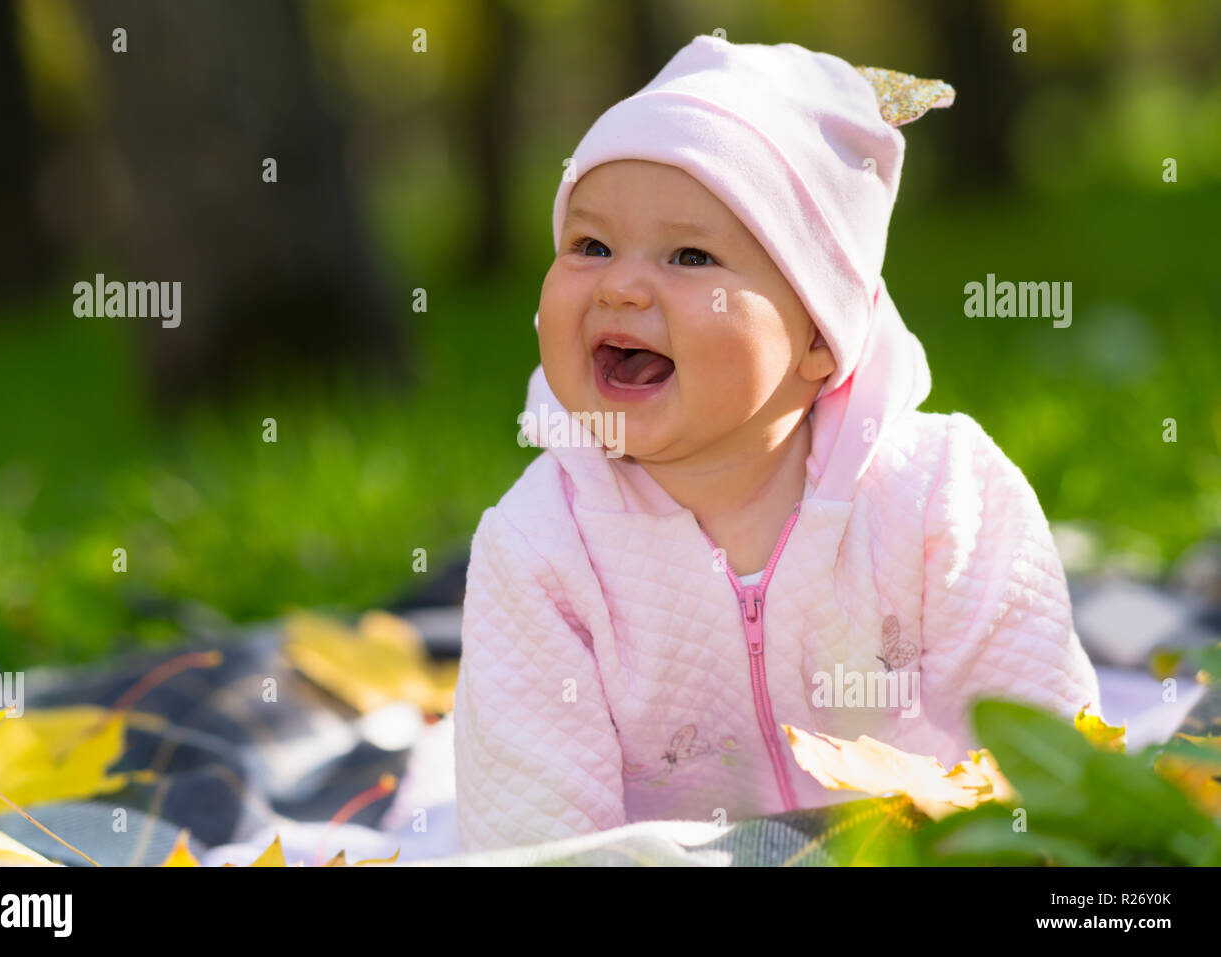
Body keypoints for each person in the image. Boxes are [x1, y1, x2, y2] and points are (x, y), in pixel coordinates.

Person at [452, 34, 1101, 853]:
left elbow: (1050, 746)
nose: (620, 283)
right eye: (590, 246)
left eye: (691, 255)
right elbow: (532, 831)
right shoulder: (541, 549)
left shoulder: (945, 495)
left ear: (820, 341)